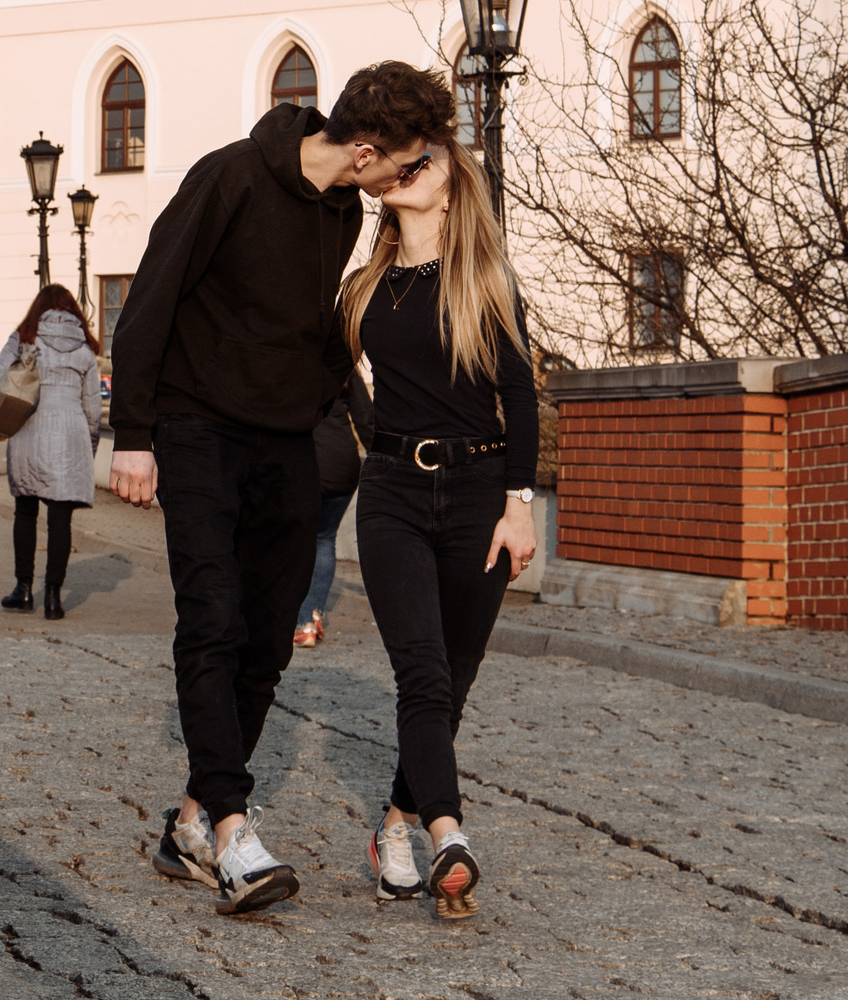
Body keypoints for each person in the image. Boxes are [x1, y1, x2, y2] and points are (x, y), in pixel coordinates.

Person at [107, 60, 454, 917]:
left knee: (266, 640)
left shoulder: (343, 210)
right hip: (195, 432)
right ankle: (231, 831)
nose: (405, 180)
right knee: (213, 621)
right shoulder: (228, 176)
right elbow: (150, 297)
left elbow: (319, 336)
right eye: (406, 164)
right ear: (368, 150)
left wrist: (378, 432)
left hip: (285, 442)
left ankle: (188, 819)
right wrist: (135, 436)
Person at [341, 136, 537, 920]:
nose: (411, 164)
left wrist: (517, 505)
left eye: (428, 157)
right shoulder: (365, 287)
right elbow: (334, 375)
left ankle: (394, 824)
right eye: (403, 158)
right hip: (390, 490)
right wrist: (368, 437)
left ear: (455, 186)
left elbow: (519, 393)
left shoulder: (485, 277)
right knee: (421, 670)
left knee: (448, 681)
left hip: (478, 492)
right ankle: (448, 836)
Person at [0, 286, 105, 620]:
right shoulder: (84, 349)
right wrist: (90, 447)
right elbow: (94, 410)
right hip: (71, 434)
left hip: (28, 427)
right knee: (60, 516)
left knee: (25, 510)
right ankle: (54, 597)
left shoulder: (25, 338)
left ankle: (23, 591)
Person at [293, 369, 375, 647]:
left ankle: (303, 623)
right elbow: (366, 420)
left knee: (299, 544)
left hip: (306, 463)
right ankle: (314, 614)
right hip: (343, 465)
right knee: (325, 539)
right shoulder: (345, 367)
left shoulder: (295, 361)